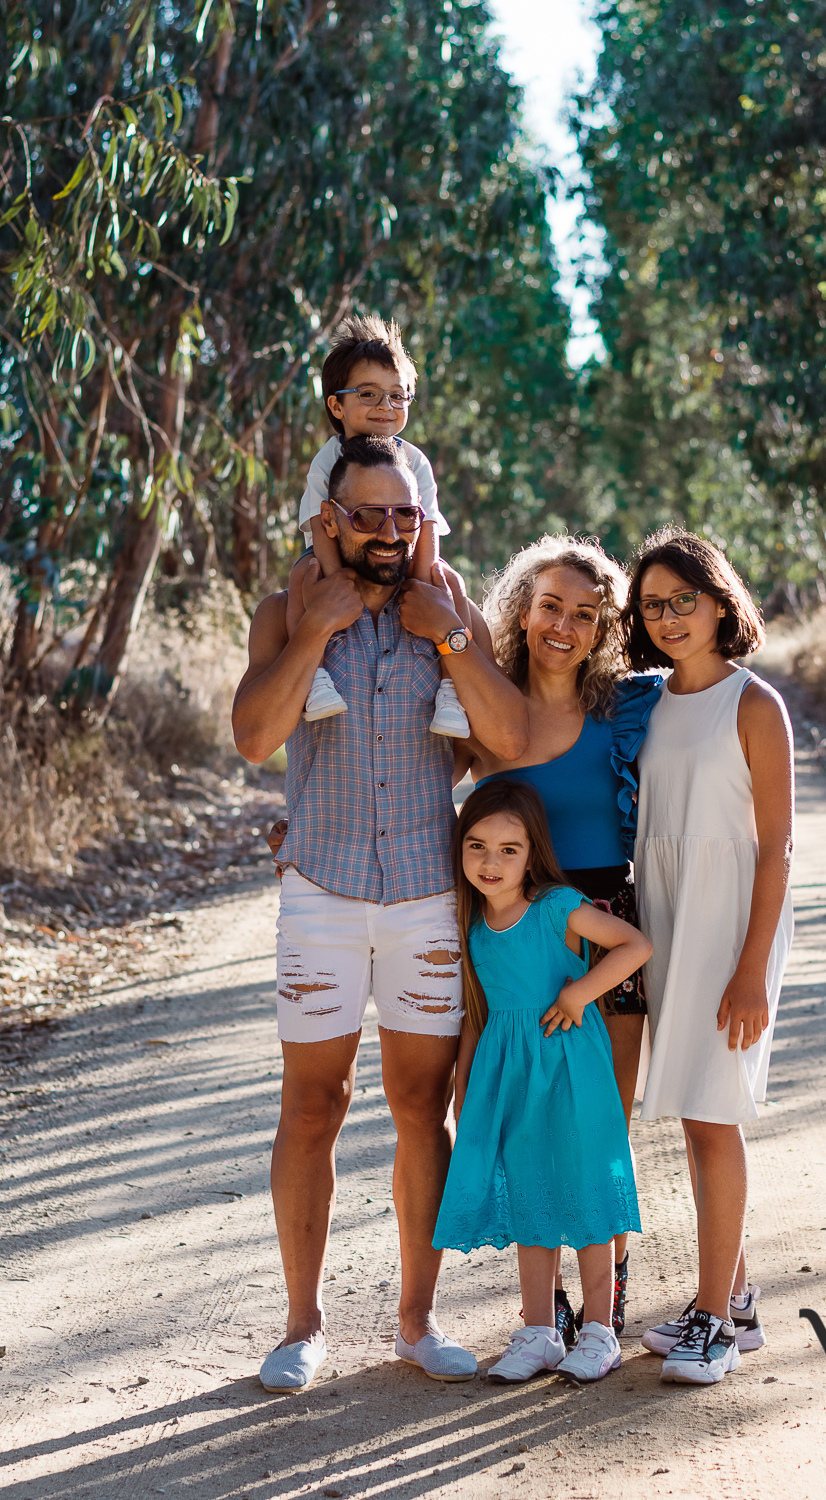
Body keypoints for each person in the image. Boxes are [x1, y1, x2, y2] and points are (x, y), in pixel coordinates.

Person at [232, 435, 529, 1394]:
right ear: (332, 518)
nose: (390, 531)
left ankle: (417, 1321)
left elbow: (507, 739)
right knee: (312, 1106)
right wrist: (314, 629)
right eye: (368, 514)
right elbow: (254, 738)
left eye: (406, 514)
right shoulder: (286, 610)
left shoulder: (449, 609)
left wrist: (451, 636)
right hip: (320, 892)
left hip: (425, 898)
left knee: (419, 1108)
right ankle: (302, 1326)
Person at [458, 536, 661, 1342]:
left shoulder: (626, 711)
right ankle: (547, 1310)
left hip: (604, 920)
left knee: (603, 1124)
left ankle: (607, 1301)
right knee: (532, 1125)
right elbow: (405, 777)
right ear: (522, 611)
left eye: (585, 614)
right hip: (517, 926)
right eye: (550, 607)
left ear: (603, 628)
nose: (564, 626)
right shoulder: (485, 704)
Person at [622, 527, 794, 1387]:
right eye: (653, 605)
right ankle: (737, 1299)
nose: (668, 617)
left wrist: (752, 966)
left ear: (722, 602)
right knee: (695, 1108)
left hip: (730, 925)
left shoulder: (754, 704)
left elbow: (777, 847)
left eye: (683, 599)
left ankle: (715, 1322)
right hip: (666, 913)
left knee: (714, 1112)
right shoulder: (645, 703)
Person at [433, 780, 651, 1384]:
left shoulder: (557, 906)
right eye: (477, 846)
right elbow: (477, 1015)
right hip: (509, 1076)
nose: (491, 861)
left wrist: (581, 993)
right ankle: (539, 1332)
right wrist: (464, 1088)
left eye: (509, 849)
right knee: (529, 1191)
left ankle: (600, 1331)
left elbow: (634, 944)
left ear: (532, 854)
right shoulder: (474, 922)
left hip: (570, 1065)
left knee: (587, 1187)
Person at [288, 312, 470, 736]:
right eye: (368, 394)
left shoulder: (414, 461)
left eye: (397, 396)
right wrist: (337, 587)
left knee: (450, 583)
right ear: (337, 405)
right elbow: (319, 525)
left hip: (400, 560)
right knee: (302, 575)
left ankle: (450, 690)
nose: (385, 406)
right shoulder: (328, 460)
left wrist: (423, 584)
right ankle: (314, 677)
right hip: (340, 558)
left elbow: (426, 529)